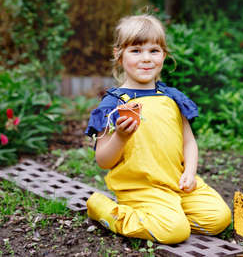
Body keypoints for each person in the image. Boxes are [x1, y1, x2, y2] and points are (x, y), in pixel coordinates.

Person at [84, 14, 231, 244]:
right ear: (119, 55)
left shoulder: (171, 97)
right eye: (136, 51)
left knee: (218, 219)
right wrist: (121, 137)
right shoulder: (114, 104)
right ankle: (105, 210)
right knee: (175, 232)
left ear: (164, 55)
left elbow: (189, 142)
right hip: (142, 189)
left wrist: (190, 173)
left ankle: (166, 216)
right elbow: (103, 160)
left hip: (176, 184)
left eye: (154, 51)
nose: (146, 58)